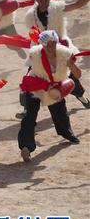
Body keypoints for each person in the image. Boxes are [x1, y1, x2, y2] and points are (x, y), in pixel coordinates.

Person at [22, 0, 90, 109]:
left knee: (69, 74)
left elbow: (78, 4)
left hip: (59, 48)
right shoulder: (31, 16)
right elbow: (32, 35)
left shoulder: (57, 8)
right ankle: (27, 109)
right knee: (30, 76)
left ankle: (81, 96)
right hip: (41, 50)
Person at [18, 31, 81, 162]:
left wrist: (71, 64)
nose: (51, 48)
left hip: (54, 87)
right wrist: (45, 86)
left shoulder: (65, 54)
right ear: (42, 45)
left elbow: (78, 75)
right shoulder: (35, 55)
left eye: (53, 44)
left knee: (60, 113)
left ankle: (67, 133)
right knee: (29, 116)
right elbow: (28, 76)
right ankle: (26, 147)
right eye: (48, 45)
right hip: (37, 85)